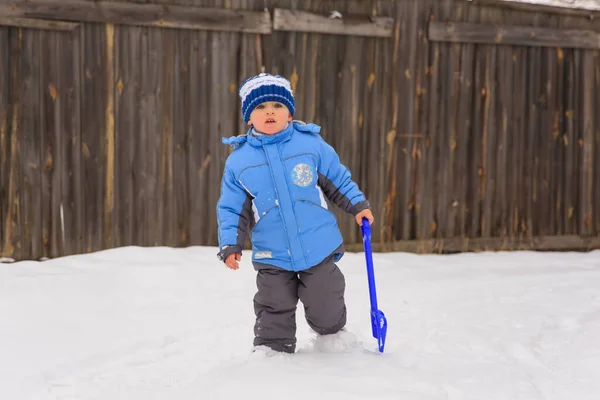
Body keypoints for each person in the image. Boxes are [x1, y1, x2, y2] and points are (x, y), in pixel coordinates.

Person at [216, 73, 374, 354]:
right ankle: (272, 350)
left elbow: (338, 179)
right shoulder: (238, 162)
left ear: (289, 113)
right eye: (260, 108)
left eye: (277, 106)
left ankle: (331, 336)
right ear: (248, 119)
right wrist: (231, 243)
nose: (269, 112)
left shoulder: (311, 146)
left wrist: (358, 206)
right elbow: (231, 208)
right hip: (272, 253)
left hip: (318, 244)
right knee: (273, 302)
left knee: (325, 296)